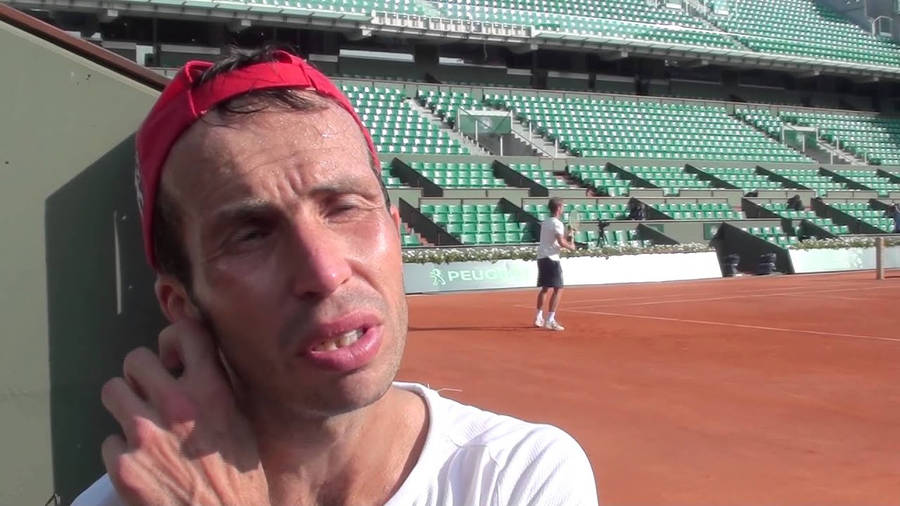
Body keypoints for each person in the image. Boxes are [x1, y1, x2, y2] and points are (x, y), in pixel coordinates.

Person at [73, 48, 597, 505]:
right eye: (251, 235)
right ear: (182, 305)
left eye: (345, 207)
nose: (324, 272)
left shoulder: (520, 479)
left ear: (395, 233)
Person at [534, 198, 576, 332]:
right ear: (558, 208)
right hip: (552, 259)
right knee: (559, 289)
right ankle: (550, 320)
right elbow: (561, 242)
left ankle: (538, 317)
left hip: (542, 258)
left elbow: (557, 241)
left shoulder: (545, 222)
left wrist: (569, 236)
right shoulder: (557, 223)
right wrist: (571, 246)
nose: (563, 209)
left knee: (545, 288)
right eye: (562, 207)